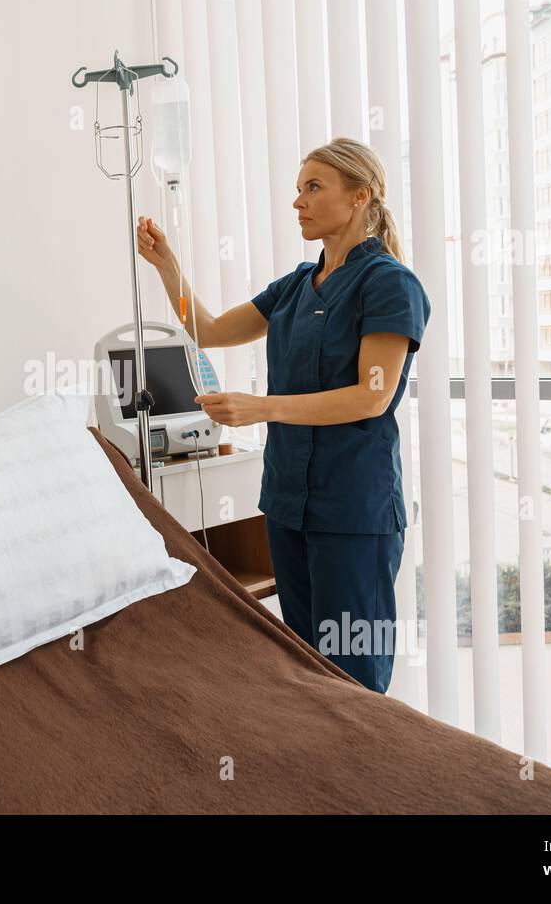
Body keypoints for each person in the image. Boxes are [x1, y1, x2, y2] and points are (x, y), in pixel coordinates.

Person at [136, 136, 431, 694]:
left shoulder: (390, 284)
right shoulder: (297, 284)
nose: (298, 201)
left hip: (352, 511)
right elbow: (211, 332)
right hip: (288, 504)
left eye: (314, 187)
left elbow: (372, 395)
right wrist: (166, 266)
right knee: (304, 671)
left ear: (359, 196)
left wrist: (260, 408)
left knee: (353, 678)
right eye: (297, 189)